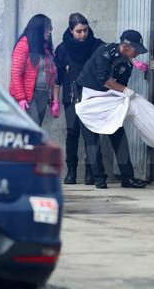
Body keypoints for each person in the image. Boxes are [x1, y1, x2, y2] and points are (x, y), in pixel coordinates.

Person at [76, 29, 149, 189]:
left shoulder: (127, 63)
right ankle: (99, 178)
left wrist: (123, 97)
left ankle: (127, 178)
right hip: (89, 99)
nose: (137, 53)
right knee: (92, 140)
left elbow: (120, 84)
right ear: (125, 46)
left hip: (109, 100)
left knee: (119, 136)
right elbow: (105, 81)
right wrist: (126, 91)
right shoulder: (105, 52)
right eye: (135, 49)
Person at [53, 13, 105, 185]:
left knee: (91, 135)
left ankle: (91, 172)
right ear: (71, 30)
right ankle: (71, 172)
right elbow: (58, 78)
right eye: (79, 31)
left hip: (92, 97)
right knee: (72, 134)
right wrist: (54, 100)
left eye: (85, 30)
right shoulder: (62, 49)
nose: (83, 35)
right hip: (71, 97)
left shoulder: (96, 45)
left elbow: (111, 57)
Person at [9, 14, 59, 126]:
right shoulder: (24, 44)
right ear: (38, 29)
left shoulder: (46, 47)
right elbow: (16, 74)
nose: (50, 31)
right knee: (31, 129)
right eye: (47, 28)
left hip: (43, 94)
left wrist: (53, 99)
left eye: (51, 28)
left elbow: (52, 73)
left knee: (37, 127)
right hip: (28, 95)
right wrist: (21, 98)